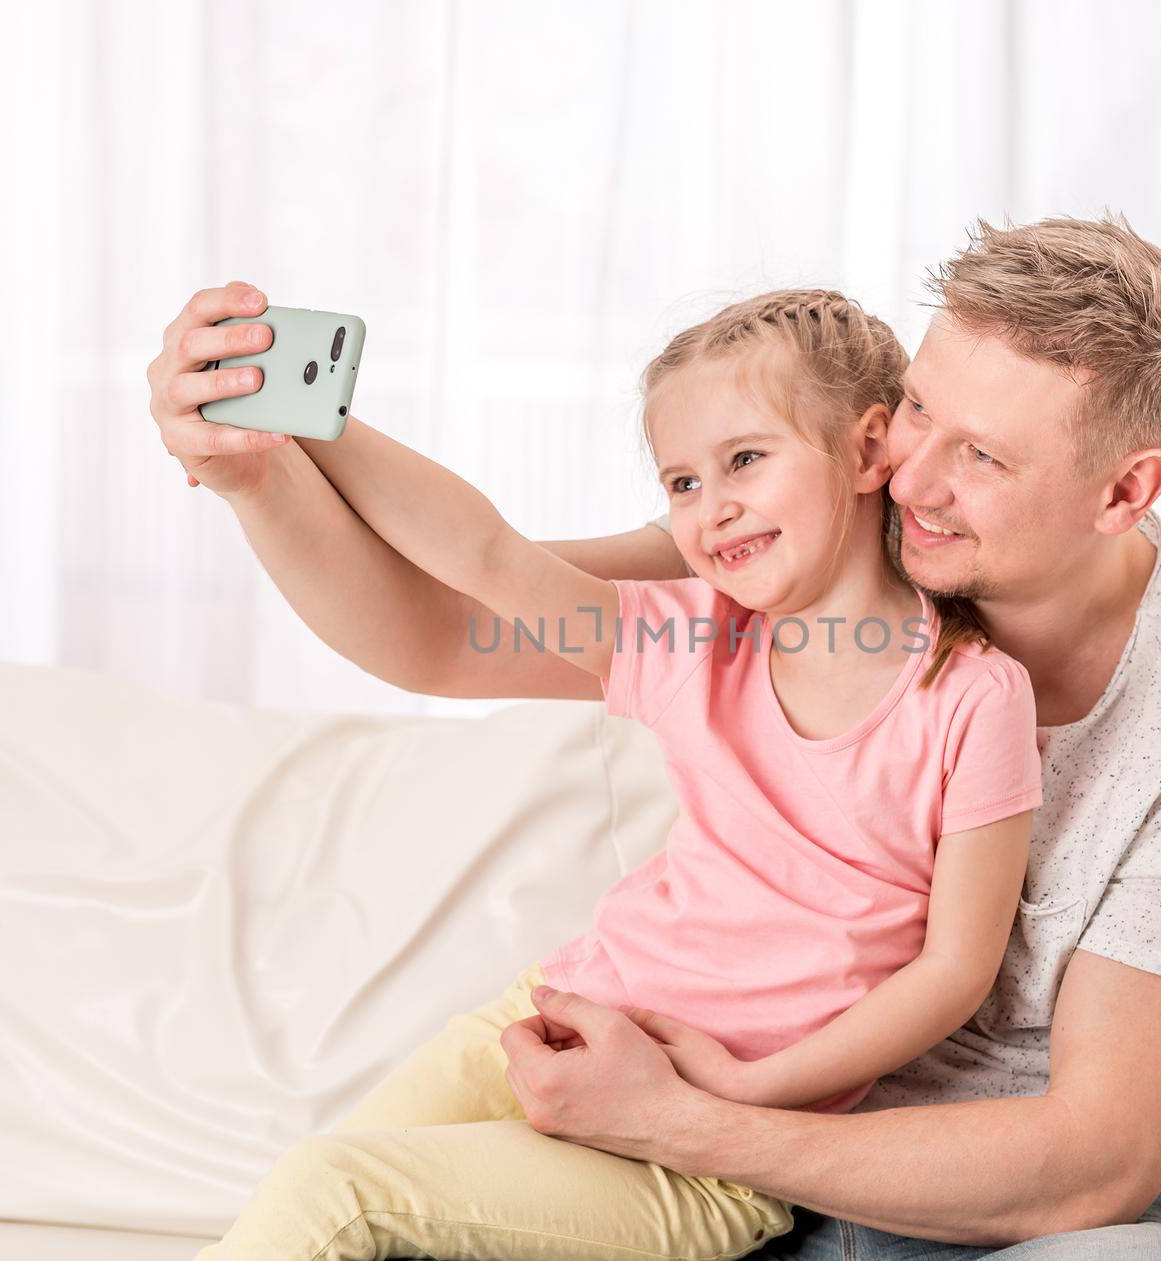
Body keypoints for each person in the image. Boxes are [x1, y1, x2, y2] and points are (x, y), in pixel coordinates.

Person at [147, 214, 1161, 1261]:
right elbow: (457, 620)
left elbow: (1089, 1164)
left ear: (1125, 492)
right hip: (743, 1157)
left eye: (981, 456)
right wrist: (262, 464)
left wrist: (695, 1117)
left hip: (1011, 1199)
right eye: (918, 407)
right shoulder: (772, 564)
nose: (909, 471)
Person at [186, 288, 1043, 1261]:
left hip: (705, 1155)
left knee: (331, 1192)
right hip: (548, 1020)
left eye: (745, 459)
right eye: (680, 481)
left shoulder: (974, 698)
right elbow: (485, 552)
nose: (711, 506)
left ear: (865, 448)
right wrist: (308, 417)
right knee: (314, 1196)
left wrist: (750, 1091)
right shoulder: (689, 636)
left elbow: (953, 971)